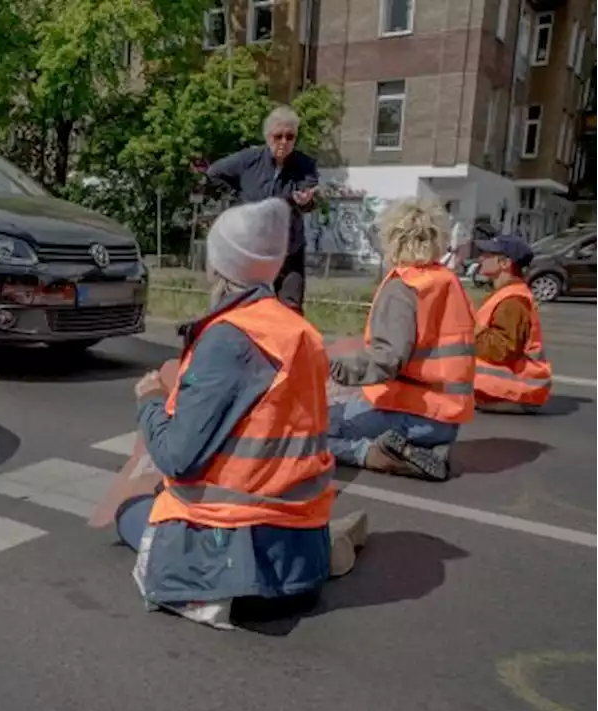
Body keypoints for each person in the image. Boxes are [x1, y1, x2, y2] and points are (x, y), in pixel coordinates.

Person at [114, 198, 367, 631]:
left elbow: (178, 457)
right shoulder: (297, 329)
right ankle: (326, 547)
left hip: (244, 559)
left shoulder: (230, 338)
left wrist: (151, 399)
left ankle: (200, 578)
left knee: (131, 512)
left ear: (219, 266)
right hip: (299, 532)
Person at [327, 199, 476, 482]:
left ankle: (376, 454)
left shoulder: (403, 288)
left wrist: (329, 367)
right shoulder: (445, 281)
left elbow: (388, 359)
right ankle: (415, 447)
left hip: (411, 411)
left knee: (307, 431)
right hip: (445, 415)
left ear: (393, 239)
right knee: (339, 413)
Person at [205, 105, 319, 313]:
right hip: (252, 250)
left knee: (290, 311)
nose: (284, 142)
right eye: (278, 136)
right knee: (245, 308)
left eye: (290, 136)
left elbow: (308, 197)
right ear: (268, 137)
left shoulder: (305, 165)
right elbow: (214, 172)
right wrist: (238, 196)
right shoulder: (249, 159)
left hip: (288, 250)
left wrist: (304, 202)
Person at [472, 233, 552, 412]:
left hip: (513, 391)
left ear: (504, 263)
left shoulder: (513, 301)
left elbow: (502, 350)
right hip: (508, 390)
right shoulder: (506, 294)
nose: (481, 258)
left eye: (488, 254)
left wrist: (466, 331)